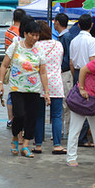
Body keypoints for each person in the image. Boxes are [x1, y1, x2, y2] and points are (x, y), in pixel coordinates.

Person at [0, 19, 49, 158]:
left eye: (37, 35)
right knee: (19, 115)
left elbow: (43, 72)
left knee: (32, 118)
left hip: (34, 90)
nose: (35, 38)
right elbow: (3, 65)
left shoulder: (40, 50)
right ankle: (15, 137)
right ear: (25, 33)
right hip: (17, 88)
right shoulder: (15, 46)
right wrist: (0, 83)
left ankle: (25, 145)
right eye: (32, 35)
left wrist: (46, 92)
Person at [33, 22, 65, 154]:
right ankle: (57, 145)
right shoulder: (58, 45)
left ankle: (38, 145)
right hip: (56, 84)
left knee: (39, 116)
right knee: (57, 116)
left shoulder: (35, 46)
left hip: (39, 85)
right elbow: (60, 62)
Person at [69, 14, 95, 148]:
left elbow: (71, 62)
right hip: (88, 74)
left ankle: (79, 137)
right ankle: (82, 138)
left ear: (79, 25)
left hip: (76, 72)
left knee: (78, 104)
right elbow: (93, 61)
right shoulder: (92, 41)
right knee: (88, 104)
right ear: (91, 25)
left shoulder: (74, 40)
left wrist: (75, 76)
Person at [3, 8, 26, 128]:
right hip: (17, 64)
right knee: (15, 93)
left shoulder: (8, 31)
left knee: (12, 92)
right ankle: (14, 119)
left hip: (10, 62)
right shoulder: (18, 34)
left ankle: (10, 118)